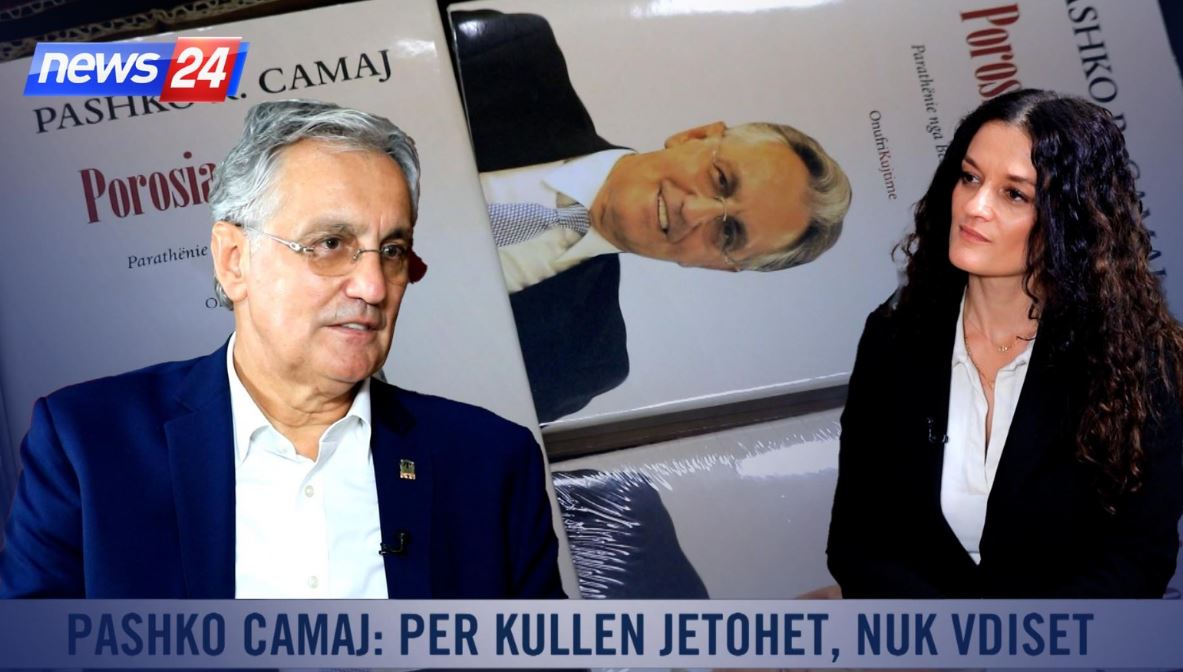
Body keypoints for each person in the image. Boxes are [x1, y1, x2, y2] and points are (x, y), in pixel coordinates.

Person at [0, 100, 566, 599]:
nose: (373, 287)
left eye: (392, 250)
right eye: (330, 243)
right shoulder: (89, 443)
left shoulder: (491, 461)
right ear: (234, 260)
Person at [827, 89, 1183, 598]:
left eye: (1014, 194)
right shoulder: (894, 338)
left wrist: (1017, 637)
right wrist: (950, 636)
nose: (974, 207)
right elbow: (857, 542)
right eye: (970, 178)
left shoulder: (1138, 362)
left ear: (1071, 220)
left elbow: (1138, 559)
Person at [451, 9, 852, 422]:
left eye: (729, 233)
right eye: (720, 179)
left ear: (717, 265)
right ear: (694, 135)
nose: (693, 210)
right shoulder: (511, 56)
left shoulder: (579, 366)